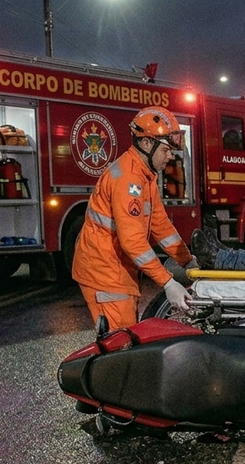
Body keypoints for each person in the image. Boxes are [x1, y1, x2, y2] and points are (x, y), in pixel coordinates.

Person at [72, 106, 198, 329]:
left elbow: (161, 226)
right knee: (121, 342)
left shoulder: (145, 175)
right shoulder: (128, 179)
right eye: (166, 149)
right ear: (147, 143)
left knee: (127, 337)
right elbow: (132, 242)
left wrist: (187, 261)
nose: (171, 156)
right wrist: (168, 282)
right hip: (106, 273)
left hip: (116, 269)